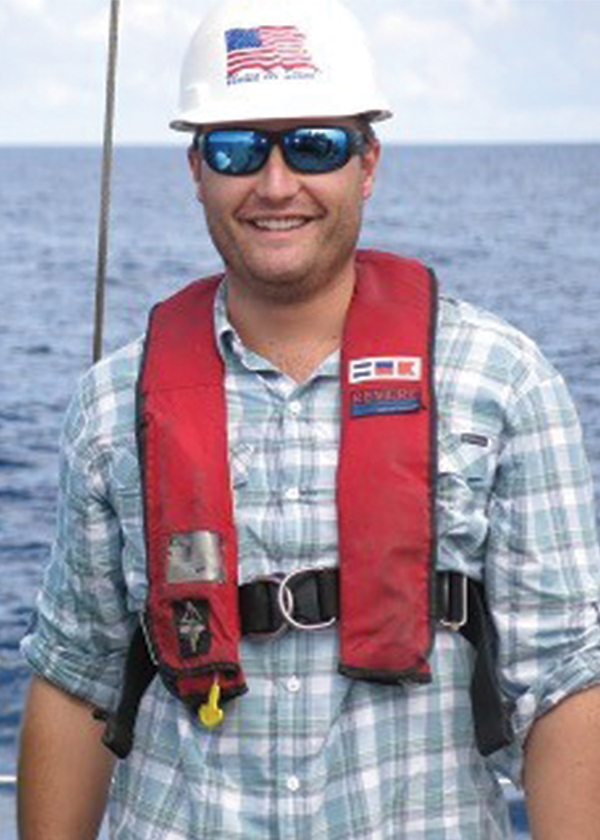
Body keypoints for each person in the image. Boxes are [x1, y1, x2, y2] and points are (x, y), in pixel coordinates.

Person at [17, 0, 600, 838]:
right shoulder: (114, 406)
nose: (277, 182)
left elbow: (566, 679)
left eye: (315, 145)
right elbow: (77, 675)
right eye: (237, 147)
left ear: (367, 163)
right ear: (196, 169)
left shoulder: (501, 382)